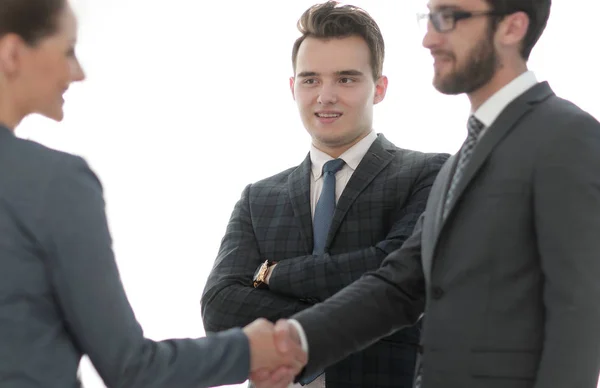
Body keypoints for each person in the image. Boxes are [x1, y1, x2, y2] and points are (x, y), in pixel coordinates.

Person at [253, 0, 600, 387]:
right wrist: (296, 339)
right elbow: (401, 285)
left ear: (512, 27)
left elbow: (581, 317)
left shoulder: (566, 137)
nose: (429, 38)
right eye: (430, 18)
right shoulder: (459, 164)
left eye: (448, 18)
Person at [0, 1, 306, 387]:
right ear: (12, 53)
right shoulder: (55, 183)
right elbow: (131, 368)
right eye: (68, 50)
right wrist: (248, 349)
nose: (77, 72)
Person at [200, 1, 448, 387]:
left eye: (346, 79)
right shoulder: (258, 199)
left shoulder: (427, 174)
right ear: (292, 87)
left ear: (379, 88)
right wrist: (348, 307)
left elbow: (398, 277)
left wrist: (273, 274)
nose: (325, 95)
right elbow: (219, 310)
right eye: (311, 79)